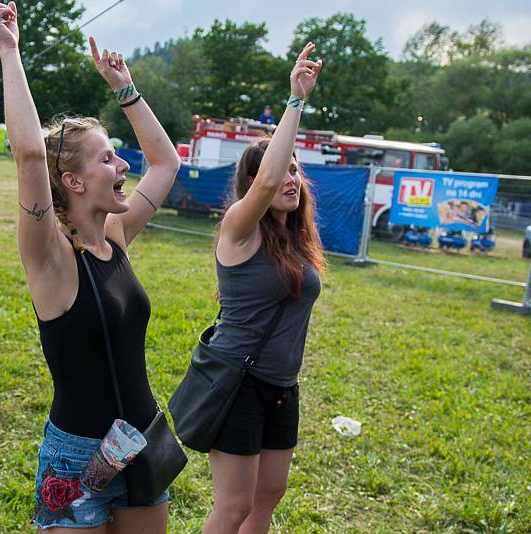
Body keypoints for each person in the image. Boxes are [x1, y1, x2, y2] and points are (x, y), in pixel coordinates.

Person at [0, 2, 181, 531]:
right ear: (71, 182)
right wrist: (9, 49)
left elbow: (166, 163)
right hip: (75, 463)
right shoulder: (49, 258)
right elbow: (29, 155)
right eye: (108, 159)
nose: (123, 166)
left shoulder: (116, 234)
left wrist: (126, 87)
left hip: (141, 443)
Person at [202, 43, 325, 534]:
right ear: (253, 185)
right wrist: (296, 100)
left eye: (296, 169)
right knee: (232, 507)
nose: (289, 178)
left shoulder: (296, 240)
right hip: (239, 383)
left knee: (267, 499)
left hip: (282, 386)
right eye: (280, 171)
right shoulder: (239, 228)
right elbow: (269, 178)